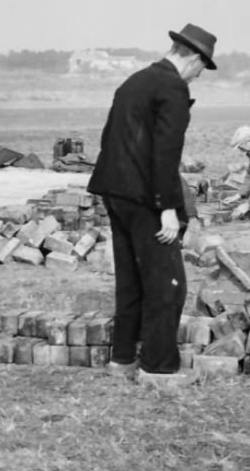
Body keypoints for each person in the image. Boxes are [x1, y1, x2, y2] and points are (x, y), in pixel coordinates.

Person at [87, 23, 217, 381]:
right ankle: (159, 368)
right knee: (167, 284)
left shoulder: (135, 81)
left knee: (131, 281)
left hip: (115, 192)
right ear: (192, 57)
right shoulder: (172, 87)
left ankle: (123, 359)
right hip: (146, 198)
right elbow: (165, 153)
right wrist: (167, 209)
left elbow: (110, 138)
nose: (197, 77)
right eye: (201, 69)